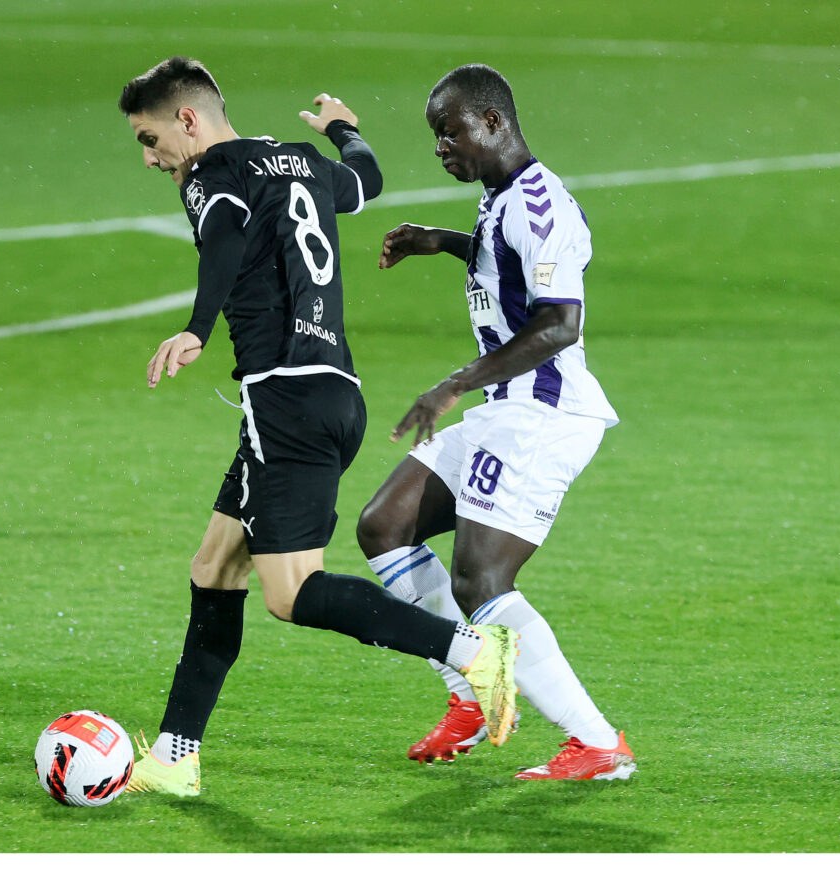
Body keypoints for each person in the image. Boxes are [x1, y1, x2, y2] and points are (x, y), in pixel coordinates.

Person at [115, 56, 519, 797]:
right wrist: (344, 131)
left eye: (150, 139)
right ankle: (176, 757)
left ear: (188, 119)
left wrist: (199, 327)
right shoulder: (299, 159)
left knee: (290, 592)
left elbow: (226, 237)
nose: (150, 158)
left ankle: (471, 651)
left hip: (285, 401)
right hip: (331, 393)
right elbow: (366, 181)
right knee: (215, 568)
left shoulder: (212, 173)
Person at [355, 63, 636, 780]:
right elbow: (507, 264)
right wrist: (445, 241)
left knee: (481, 579)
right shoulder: (501, 196)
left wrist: (454, 383)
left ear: (491, 122)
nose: (440, 148)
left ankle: (597, 742)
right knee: (385, 526)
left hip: (542, 413)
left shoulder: (539, 204)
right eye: (434, 136)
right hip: (507, 407)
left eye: (449, 132)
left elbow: (560, 324)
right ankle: (471, 692)